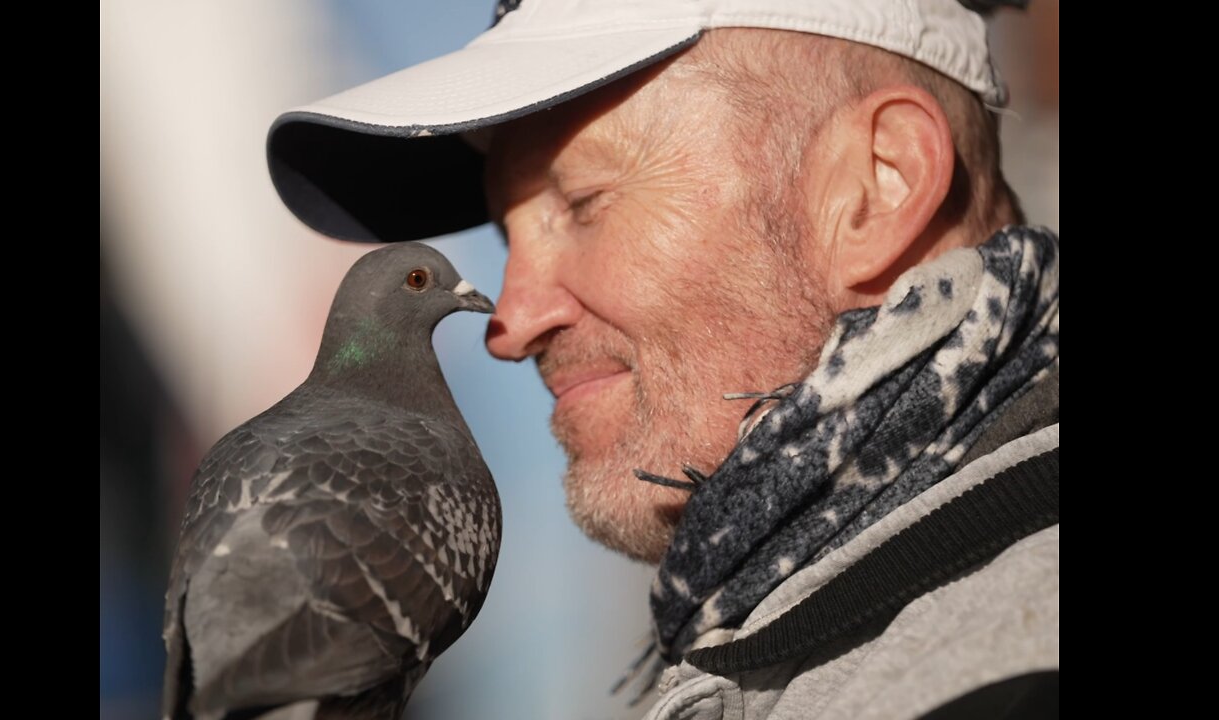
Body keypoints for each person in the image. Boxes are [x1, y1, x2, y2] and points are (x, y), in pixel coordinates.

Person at [266, 1, 1059, 717]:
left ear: (878, 183)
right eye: (507, 241)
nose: (509, 321)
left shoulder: (1004, 680)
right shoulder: (793, 643)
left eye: (584, 203)